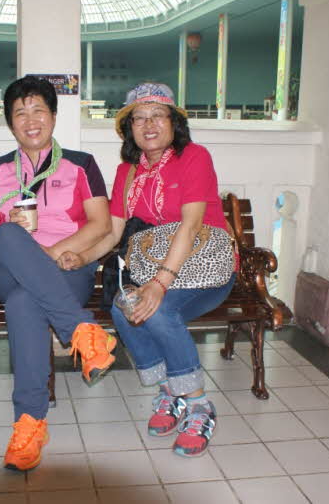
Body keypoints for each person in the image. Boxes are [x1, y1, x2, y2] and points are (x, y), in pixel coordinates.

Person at [60, 82, 236, 458]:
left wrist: (159, 284)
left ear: (174, 123)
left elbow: (191, 226)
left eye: (158, 115)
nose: (149, 124)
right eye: (139, 118)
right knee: (122, 307)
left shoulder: (194, 157)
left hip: (205, 268)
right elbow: (114, 233)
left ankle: (199, 406)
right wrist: (83, 258)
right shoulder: (127, 171)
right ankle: (170, 391)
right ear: (129, 129)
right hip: (162, 267)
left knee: (158, 311)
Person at [0, 76, 115, 471]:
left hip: (67, 266)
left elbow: (101, 223)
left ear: (53, 116)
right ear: (10, 123)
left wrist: (50, 254)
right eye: (20, 113)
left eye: (38, 110)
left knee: (24, 303)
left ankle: (30, 424)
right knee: (6, 233)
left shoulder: (82, 164)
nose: (30, 119)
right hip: (6, 268)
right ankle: (82, 331)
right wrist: (14, 233)